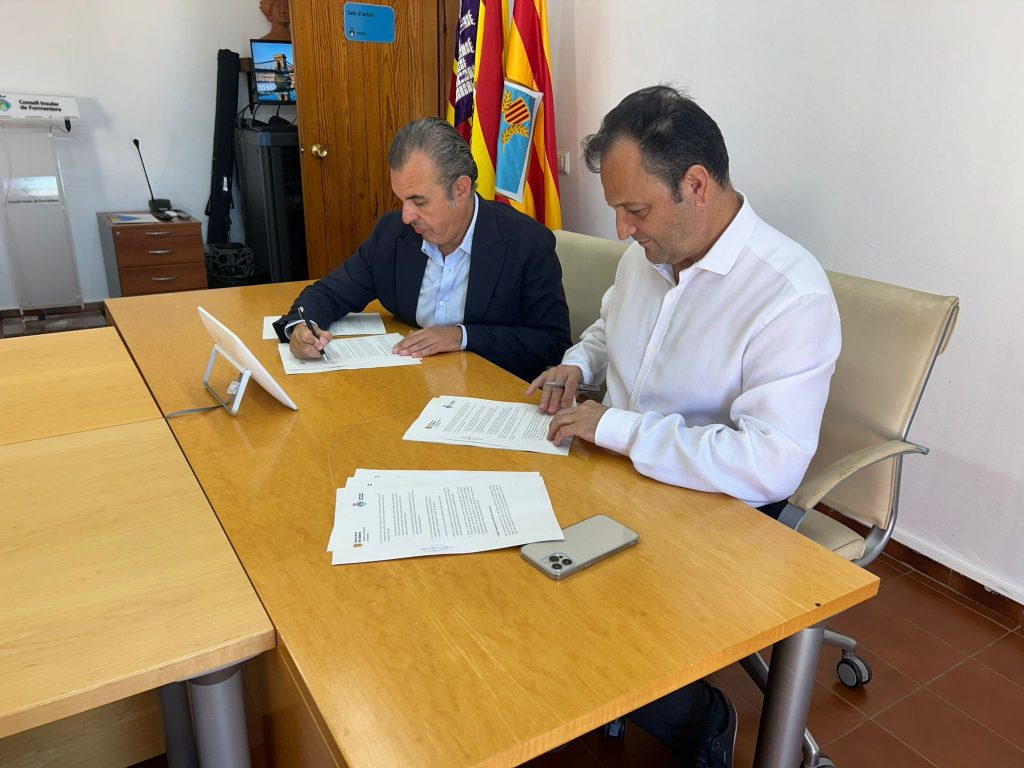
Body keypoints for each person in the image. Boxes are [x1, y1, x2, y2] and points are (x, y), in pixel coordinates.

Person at [527, 85, 841, 766]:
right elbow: (608, 327)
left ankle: (702, 718)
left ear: (696, 185)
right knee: (511, 563)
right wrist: (578, 364)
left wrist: (617, 429)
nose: (622, 231)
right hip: (618, 468)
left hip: (715, 505)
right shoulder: (646, 257)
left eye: (635, 210)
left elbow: (771, 462)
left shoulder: (788, 294)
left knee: (583, 605)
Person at [274, 117, 571, 382]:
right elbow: (331, 292)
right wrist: (301, 326)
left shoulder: (526, 243)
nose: (407, 216)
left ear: (461, 189)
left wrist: (462, 336)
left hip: (490, 394)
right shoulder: (393, 232)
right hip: (412, 383)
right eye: (402, 200)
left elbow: (552, 343)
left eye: (419, 201)